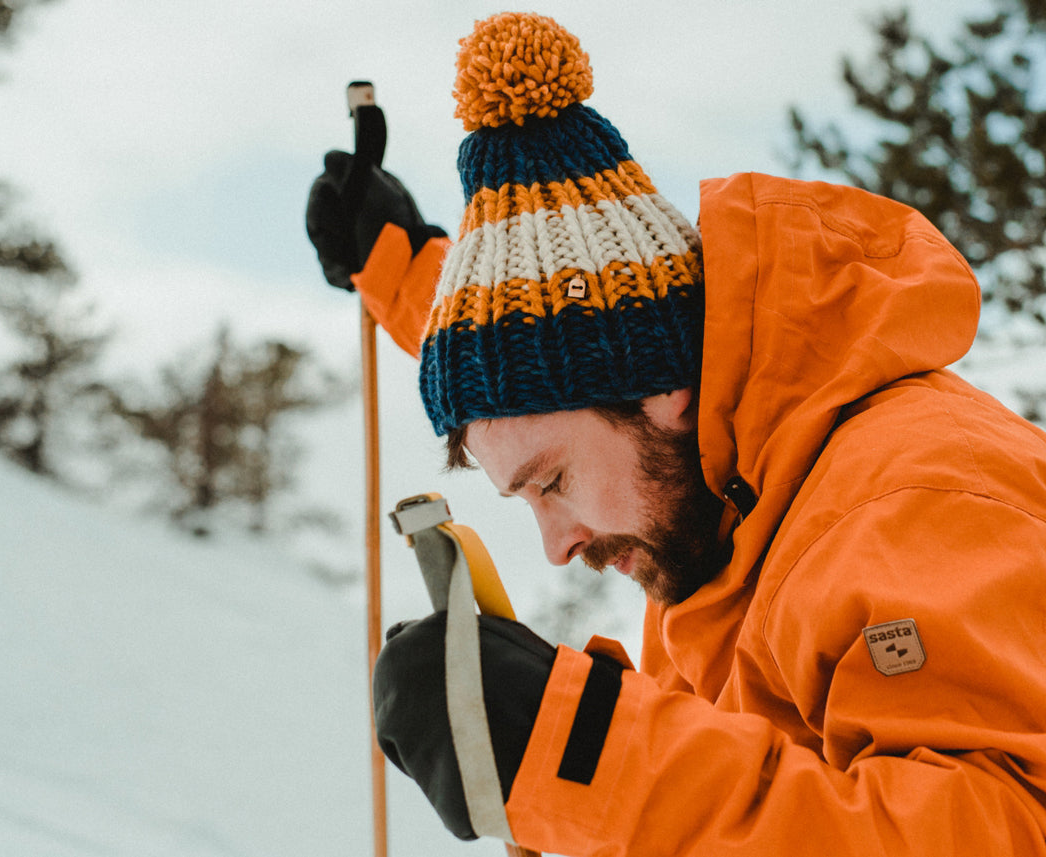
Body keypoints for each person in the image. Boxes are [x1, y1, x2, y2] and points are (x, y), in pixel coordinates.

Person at [306, 12, 1046, 856]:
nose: (556, 543)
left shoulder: (913, 506)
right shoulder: (720, 483)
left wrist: (586, 751)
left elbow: (1007, 828)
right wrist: (399, 266)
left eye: (550, 484)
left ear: (664, 388)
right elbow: (551, 357)